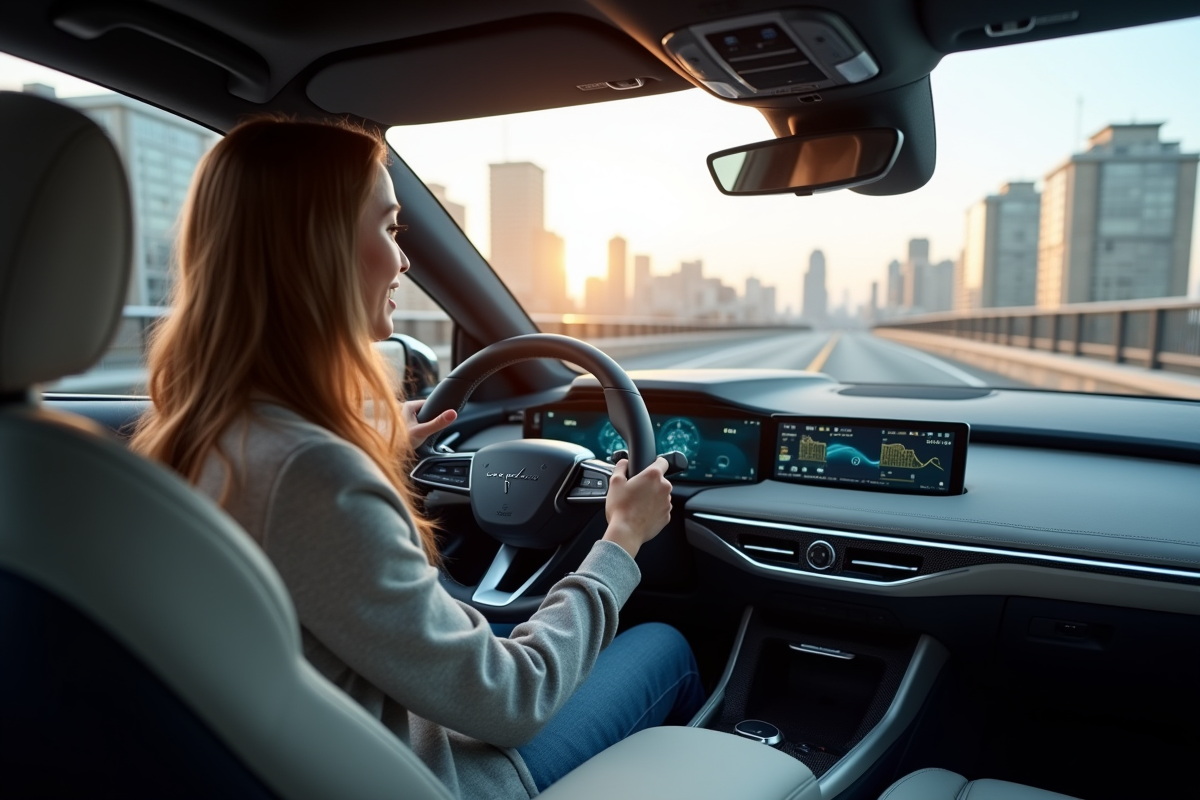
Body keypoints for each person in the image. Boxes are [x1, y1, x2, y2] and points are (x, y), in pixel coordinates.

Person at [130, 118, 705, 799]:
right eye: (389, 228)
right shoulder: (316, 477)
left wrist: (366, 446)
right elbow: (514, 699)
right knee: (666, 644)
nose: (403, 261)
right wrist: (622, 538)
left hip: (310, 759)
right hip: (432, 777)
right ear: (317, 248)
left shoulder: (192, 439)